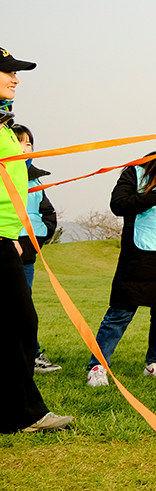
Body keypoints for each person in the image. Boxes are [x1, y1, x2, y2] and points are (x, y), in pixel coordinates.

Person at [0, 46, 73, 433]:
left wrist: (10, 234)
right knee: (19, 325)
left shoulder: (3, 126)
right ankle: (24, 413)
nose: (15, 79)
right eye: (7, 71)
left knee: (17, 326)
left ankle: (18, 410)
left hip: (4, 239)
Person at [86, 136, 156, 386]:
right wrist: (155, 195)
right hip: (140, 252)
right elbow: (118, 205)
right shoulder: (136, 172)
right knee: (121, 310)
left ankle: (155, 362)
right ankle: (97, 366)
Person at [12, 125, 61, 373]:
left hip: (27, 253)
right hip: (5, 245)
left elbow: (47, 212)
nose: (25, 147)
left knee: (24, 305)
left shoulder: (34, 178)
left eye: (29, 143)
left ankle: (31, 356)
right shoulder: (5, 172)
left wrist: (38, 239)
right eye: (19, 141)